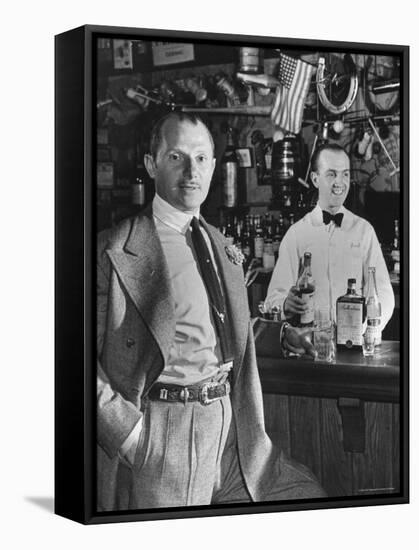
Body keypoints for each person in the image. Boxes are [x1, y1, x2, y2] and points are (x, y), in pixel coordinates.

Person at [96, 112, 325, 511]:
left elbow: (220, 329)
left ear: (215, 167)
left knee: (310, 499)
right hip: (166, 431)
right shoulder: (113, 248)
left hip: (235, 431)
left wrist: (281, 334)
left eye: (201, 159)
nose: (191, 171)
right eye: (176, 157)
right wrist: (127, 434)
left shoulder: (220, 245)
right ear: (152, 164)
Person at [265, 143, 394, 328]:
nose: (339, 182)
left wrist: (367, 329)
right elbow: (273, 299)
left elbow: (383, 293)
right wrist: (286, 304)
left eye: (345, 174)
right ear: (315, 179)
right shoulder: (296, 235)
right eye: (331, 174)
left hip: (355, 341)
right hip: (309, 345)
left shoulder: (364, 231)